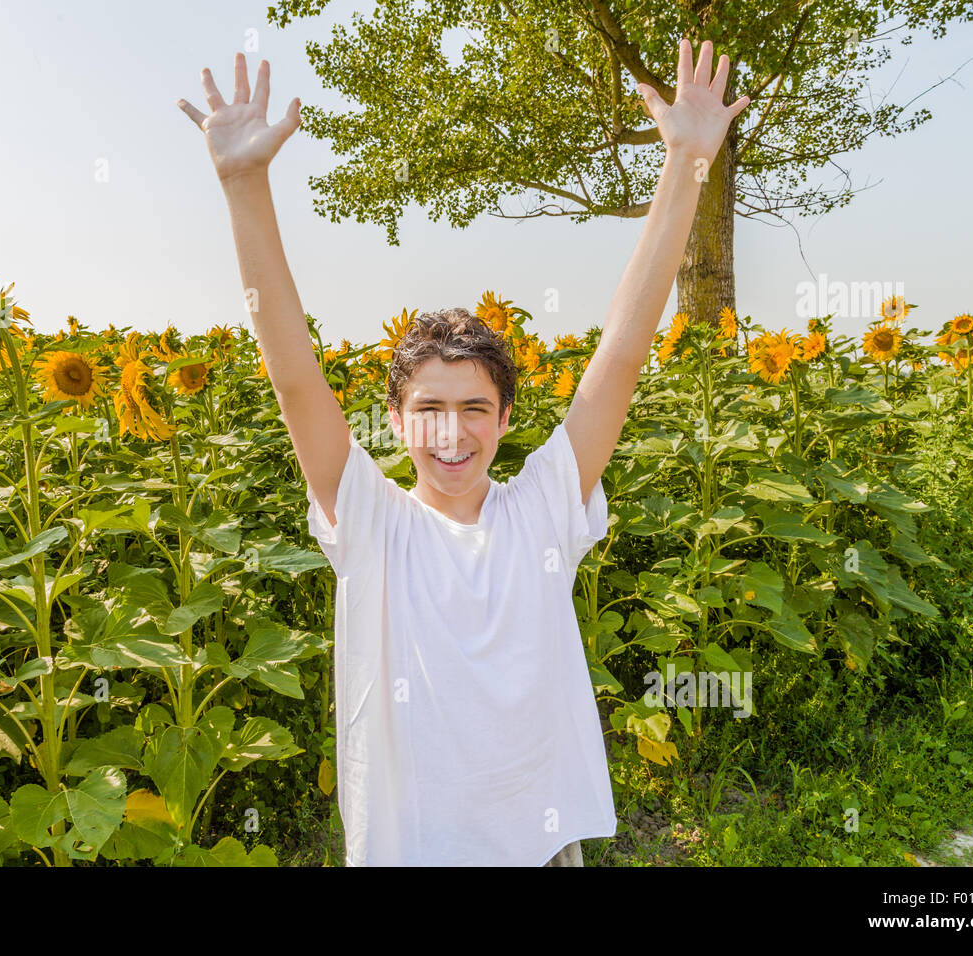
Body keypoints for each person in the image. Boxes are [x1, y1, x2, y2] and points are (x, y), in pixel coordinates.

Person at [178, 40, 749, 866]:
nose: (452, 432)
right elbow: (295, 378)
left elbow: (621, 356)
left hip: (544, 844)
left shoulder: (543, 507)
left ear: (508, 416)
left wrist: (687, 164)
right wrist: (242, 185)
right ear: (396, 421)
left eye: (475, 407)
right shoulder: (373, 523)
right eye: (430, 409)